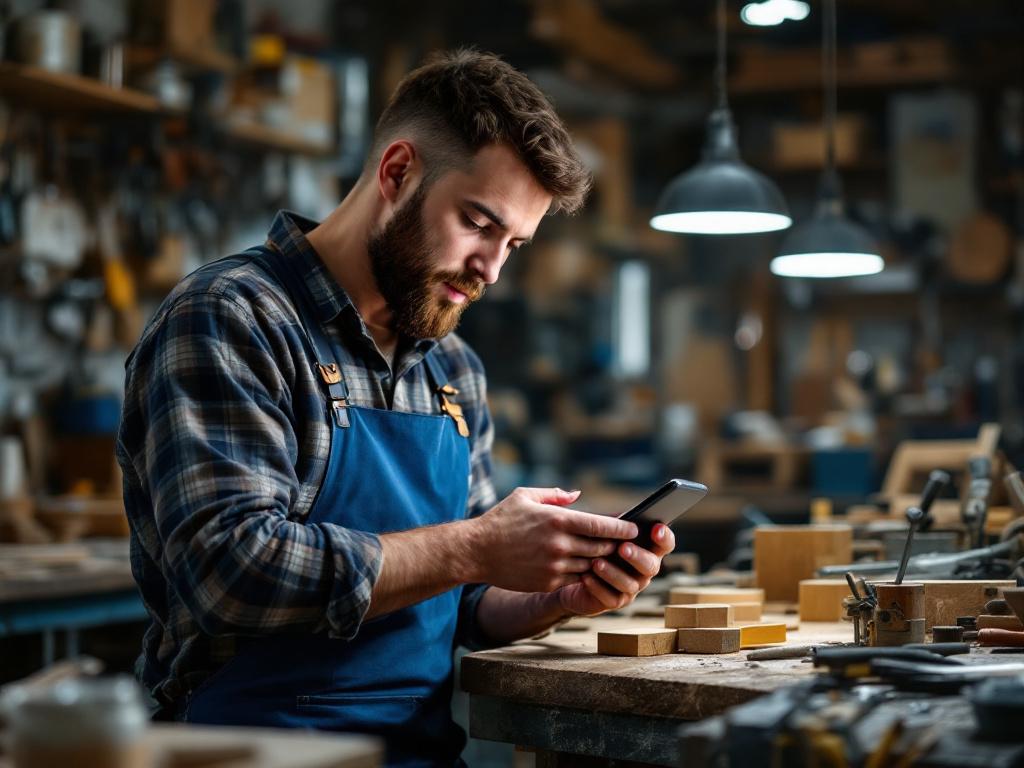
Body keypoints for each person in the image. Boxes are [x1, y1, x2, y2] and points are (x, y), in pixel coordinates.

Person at [117, 49, 675, 766]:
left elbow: (462, 601)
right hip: (248, 748)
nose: (491, 270)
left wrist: (556, 598)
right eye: (478, 222)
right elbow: (232, 573)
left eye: (514, 244)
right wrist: (479, 544)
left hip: (417, 752)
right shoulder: (231, 319)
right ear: (397, 172)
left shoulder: (453, 369)